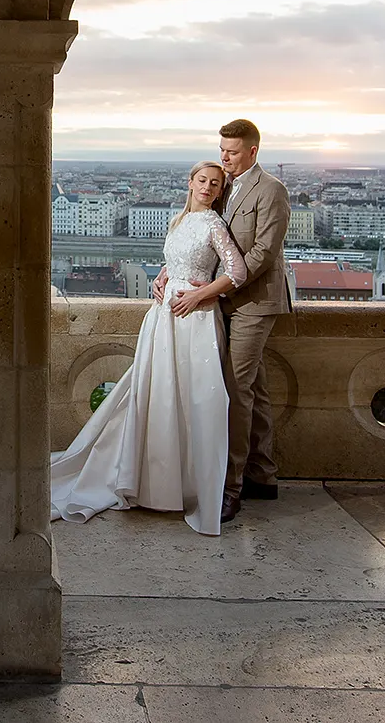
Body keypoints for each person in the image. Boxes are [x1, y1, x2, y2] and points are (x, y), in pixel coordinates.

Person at [49, 161, 248, 536]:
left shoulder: (214, 224)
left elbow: (236, 272)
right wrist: (162, 276)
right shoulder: (179, 220)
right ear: (190, 183)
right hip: (164, 315)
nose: (207, 187)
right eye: (202, 180)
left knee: (192, 398)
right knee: (160, 395)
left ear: (220, 191)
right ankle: (155, 482)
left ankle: (180, 486)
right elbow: (176, 260)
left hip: (194, 319)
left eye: (215, 184)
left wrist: (198, 296)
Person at [152, 118, 292, 522]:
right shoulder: (224, 186)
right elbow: (196, 241)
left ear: (252, 151)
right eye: (221, 150)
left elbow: (263, 252)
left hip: (253, 302)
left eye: (231, 152)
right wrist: (171, 274)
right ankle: (263, 475)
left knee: (233, 389)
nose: (224, 158)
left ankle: (229, 488)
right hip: (223, 301)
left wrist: (214, 287)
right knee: (256, 390)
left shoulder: (272, 190)